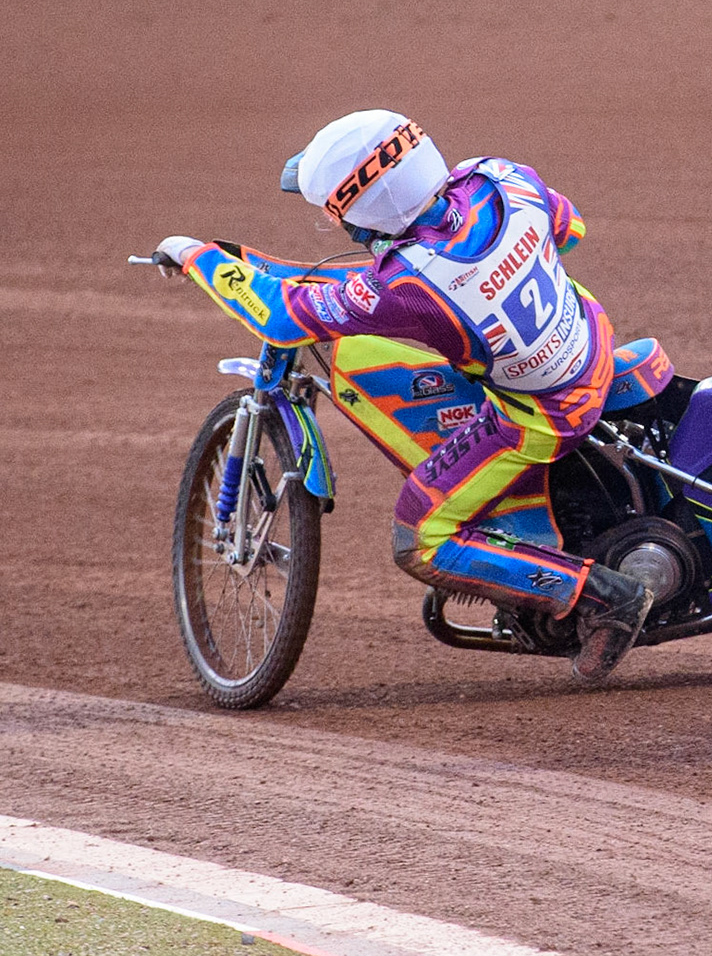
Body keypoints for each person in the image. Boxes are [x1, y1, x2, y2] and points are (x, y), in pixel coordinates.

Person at [150, 109, 665, 681]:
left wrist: (196, 256)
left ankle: (600, 597)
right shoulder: (500, 177)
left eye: (337, 215)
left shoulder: (409, 284)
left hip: (544, 413)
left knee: (420, 537)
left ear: (363, 214)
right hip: (590, 336)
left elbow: (282, 316)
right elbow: (570, 230)